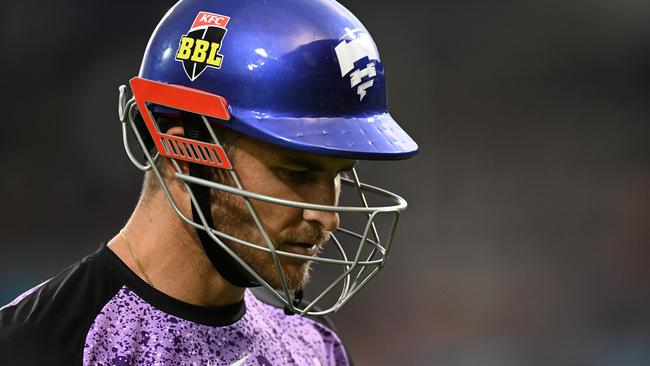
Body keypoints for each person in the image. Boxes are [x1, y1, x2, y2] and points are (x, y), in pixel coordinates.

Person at [0, 0, 418, 364]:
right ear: (183, 151)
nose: (327, 216)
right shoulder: (38, 348)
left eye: (338, 175)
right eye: (297, 174)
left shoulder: (314, 347)